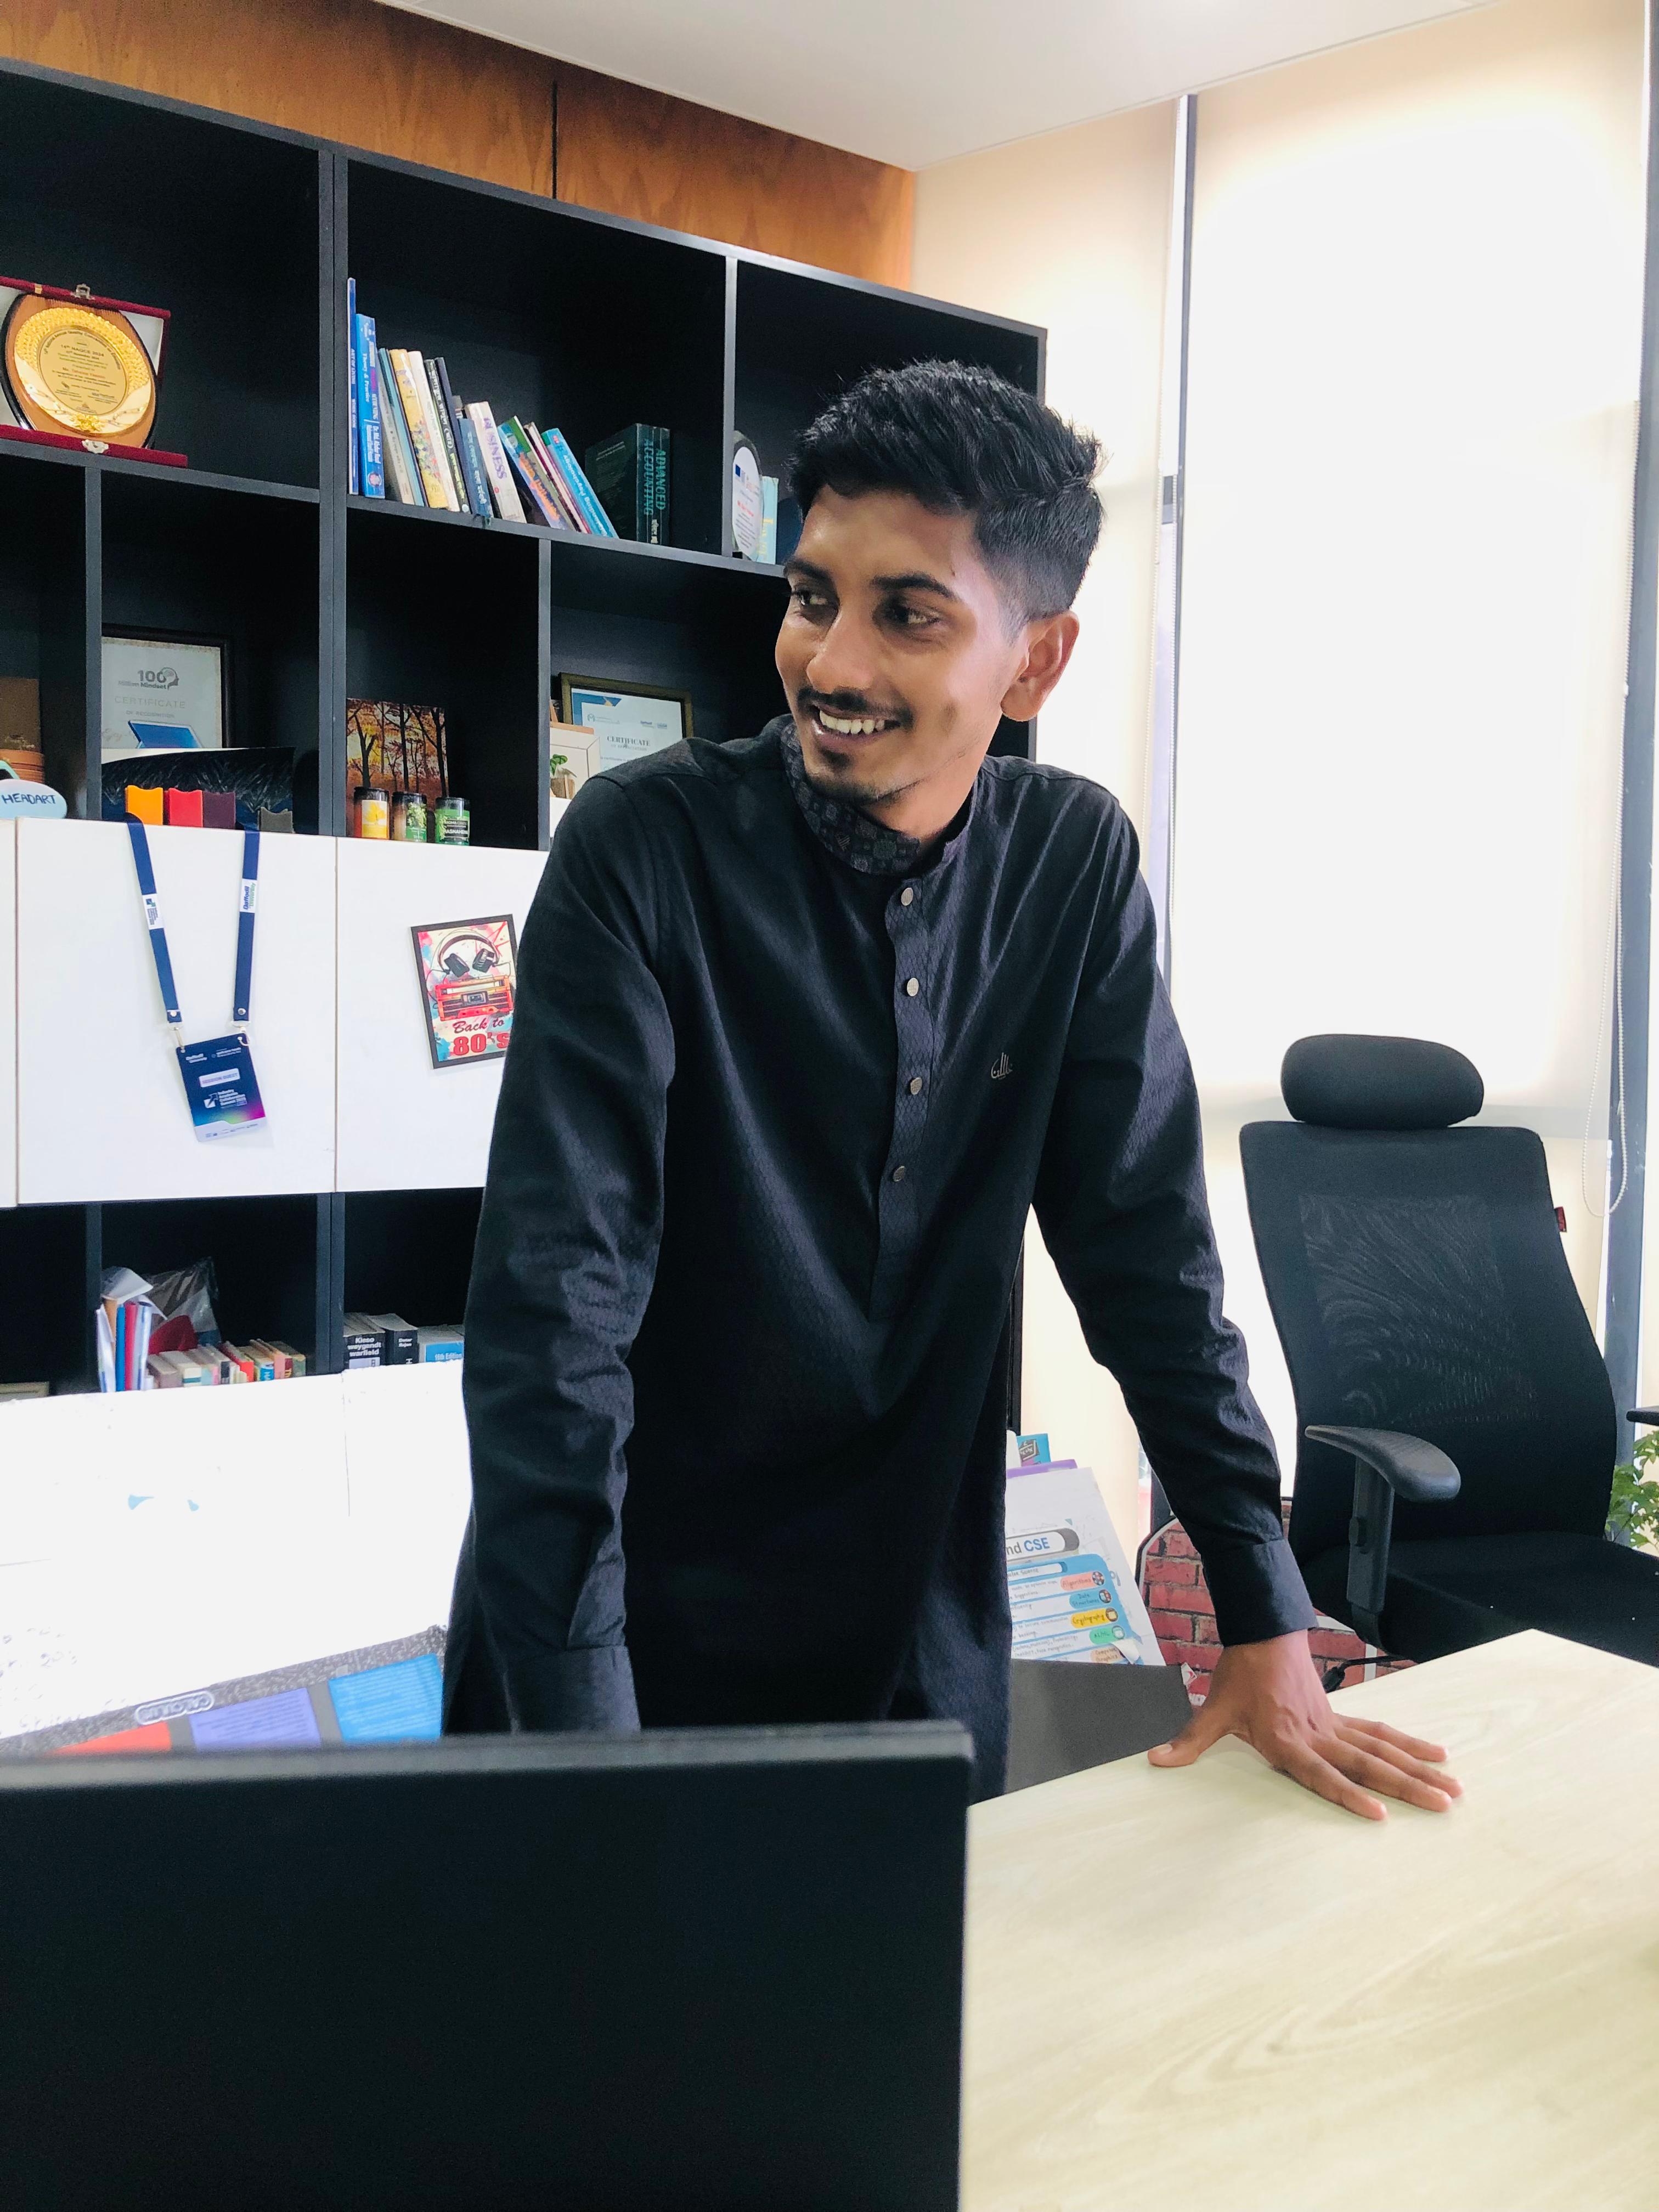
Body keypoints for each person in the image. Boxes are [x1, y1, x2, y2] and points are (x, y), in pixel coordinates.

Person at [445, 359, 1460, 1820]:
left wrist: (1264, 1615)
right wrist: (586, 1748)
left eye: (908, 614)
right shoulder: (642, 848)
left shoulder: (1074, 864)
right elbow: (556, 1317)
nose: (832, 665)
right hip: (612, 1641)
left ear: (1036, 662)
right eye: (813, 598)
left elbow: (1148, 1257)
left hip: (910, 1636)